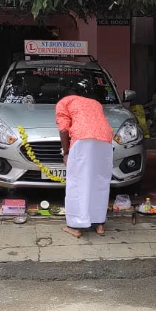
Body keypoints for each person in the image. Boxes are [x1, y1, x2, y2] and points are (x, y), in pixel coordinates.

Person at [55, 86, 114, 238]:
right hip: (106, 140)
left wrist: (66, 152)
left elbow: (63, 130)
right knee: (99, 181)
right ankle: (99, 224)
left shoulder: (64, 103)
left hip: (83, 140)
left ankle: (76, 227)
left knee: (77, 182)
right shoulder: (94, 103)